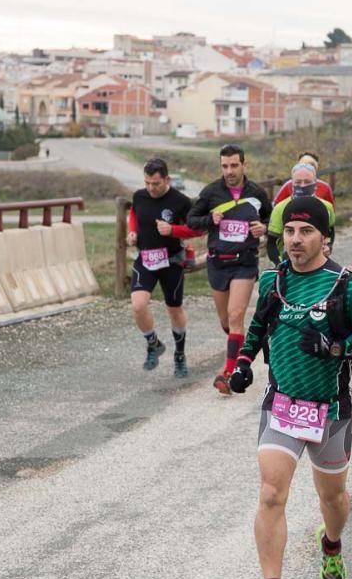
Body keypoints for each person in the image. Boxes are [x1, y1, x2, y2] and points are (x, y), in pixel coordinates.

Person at [228, 197, 352, 579]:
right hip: (282, 403)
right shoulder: (273, 282)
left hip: (330, 408)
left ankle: (331, 545)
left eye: (306, 232)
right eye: (291, 232)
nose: (296, 240)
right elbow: (259, 327)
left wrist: (335, 347)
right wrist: (242, 363)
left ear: (324, 238)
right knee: (270, 492)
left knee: (332, 498)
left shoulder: (345, 286)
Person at [187, 143, 272, 394]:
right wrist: (208, 220)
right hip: (217, 262)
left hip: (244, 262)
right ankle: (241, 350)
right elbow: (191, 221)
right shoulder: (211, 192)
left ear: (244, 165)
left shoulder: (256, 192)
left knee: (236, 318)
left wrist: (264, 228)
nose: (229, 171)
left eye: (234, 165)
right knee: (226, 322)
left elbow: (272, 216)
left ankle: (228, 373)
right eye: (225, 166)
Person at [127, 158, 203, 378]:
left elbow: (197, 230)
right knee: (138, 305)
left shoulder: (181, 201)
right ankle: (153, 344)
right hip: (145, 259)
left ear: (167, 179)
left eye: (156, 184)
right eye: (148, 182)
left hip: (171, 261)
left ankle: (180, 355)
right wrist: (133, 231)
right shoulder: (139, 196)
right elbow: (134, 213)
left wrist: (173, 230)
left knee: (174, 308)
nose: (151, 188)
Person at [267, 162, 335, 265]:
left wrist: (328, 246)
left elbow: (330, 232)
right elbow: (272, 243)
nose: (303, 185)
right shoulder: (280, 208)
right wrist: (279, 266)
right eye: (298, 182)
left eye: (307, 182)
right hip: (288, 264)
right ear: (291, 183)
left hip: (318, 264)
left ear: (316, 183)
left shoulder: (326, 207)